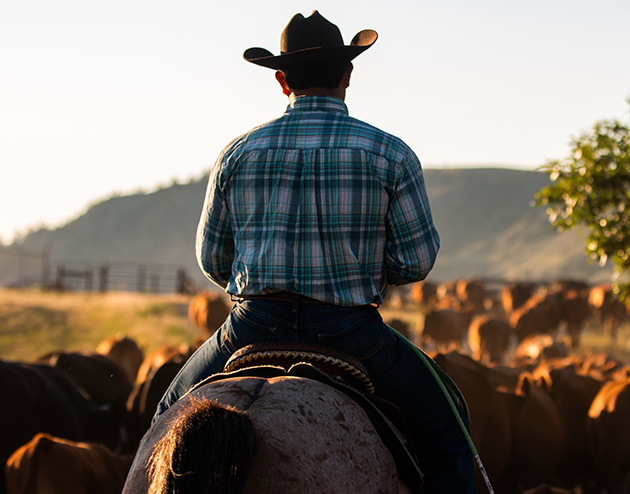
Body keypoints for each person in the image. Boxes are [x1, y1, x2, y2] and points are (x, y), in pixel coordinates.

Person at [154, 11, 477, 492]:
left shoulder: (238, 154)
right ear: (348, 75)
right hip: (352, 333)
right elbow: (415, 263)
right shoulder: (390, 154)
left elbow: (213, 259)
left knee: (163, 421)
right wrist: (364, 268)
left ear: (281, 80)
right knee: (449, 435)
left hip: (251, 326)